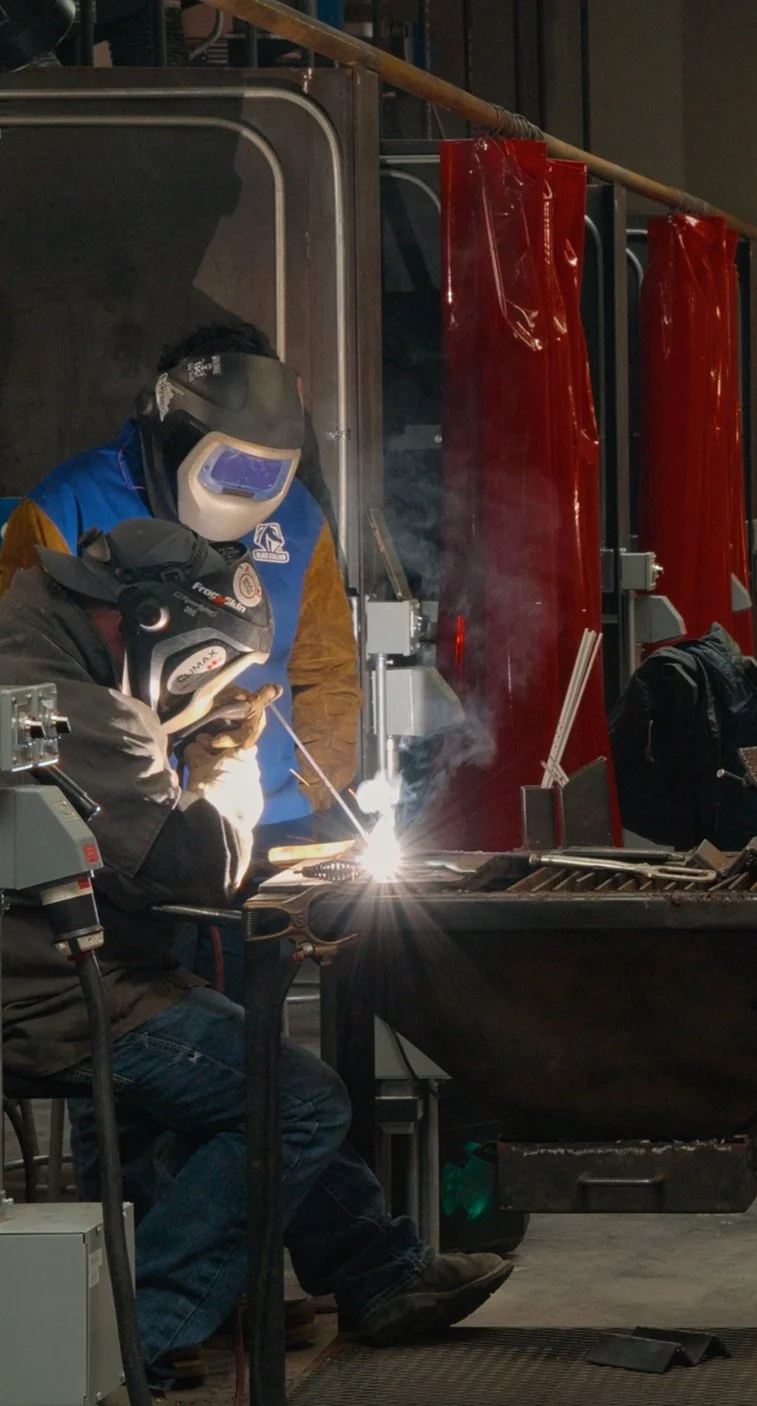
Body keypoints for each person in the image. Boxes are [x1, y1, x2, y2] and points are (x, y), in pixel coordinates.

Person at [0, 519, 508, 1392]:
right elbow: (186, 868)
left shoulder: (37, 647)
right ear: (149, 624)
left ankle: (377, 1272)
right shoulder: (63, 699)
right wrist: (226, 778)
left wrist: (184, 734)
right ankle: (127, 1336)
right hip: (51, 996)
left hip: (69, 966)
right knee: (296, 1100)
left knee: (254, 1061)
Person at [0, 321, 362, 839]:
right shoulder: (66, 505)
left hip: (269, 819)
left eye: (263, 471)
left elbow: (326, 668)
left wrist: (309, 794)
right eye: (229, 462)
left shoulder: (298, 518)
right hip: (121, 830)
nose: (245, 486)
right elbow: (19, 685)